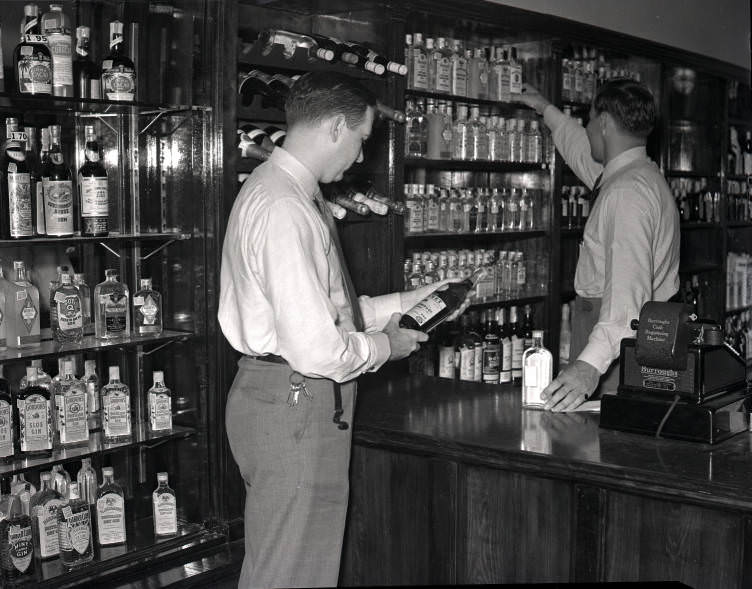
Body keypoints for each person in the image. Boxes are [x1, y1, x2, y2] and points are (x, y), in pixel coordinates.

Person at [219, 71, 466, 589]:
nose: (359, 157)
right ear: (335, 126)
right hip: (295, 400)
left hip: (284, 397)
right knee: (290, 575)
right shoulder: (287, 207)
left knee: (288, 565)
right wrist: (389, 345)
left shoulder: (282, 191)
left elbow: (321, 313)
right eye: (360, 141)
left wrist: (408, 303)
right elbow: (316, 349)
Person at [519, 78, 680, 412]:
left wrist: (590, 365)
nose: (587, 128)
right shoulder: (638, 175)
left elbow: (626, 292)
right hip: (629, 335)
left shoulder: (625, 193)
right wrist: (545, 109)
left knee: (597, 447)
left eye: (589, 121)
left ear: (604, 122)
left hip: (616, 342)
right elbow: (584, 154)